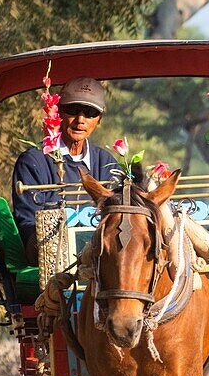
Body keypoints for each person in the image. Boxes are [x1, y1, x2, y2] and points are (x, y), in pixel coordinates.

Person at [12, 76, 135, 265]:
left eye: (90, 113)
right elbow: (28, 223)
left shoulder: (106, 162)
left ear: (99, 120)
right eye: (72, 110)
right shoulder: (33, 161)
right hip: (50, 258)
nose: (80, 120)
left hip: (100, 258)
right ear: (58, 112)